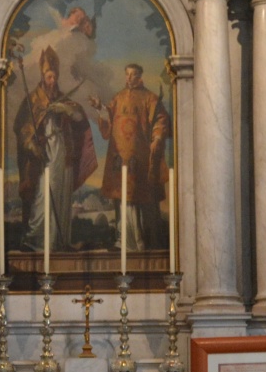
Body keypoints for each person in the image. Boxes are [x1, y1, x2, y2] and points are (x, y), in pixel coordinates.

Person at [14, 47, 96, 252]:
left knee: (62, 196)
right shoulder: (34, 100)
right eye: (48, 77)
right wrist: (33, 145)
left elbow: (79, 117)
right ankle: (36, 240)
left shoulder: (62, 98)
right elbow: (23, 129)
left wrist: (66, 109)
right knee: (44, 194)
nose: (52, 81)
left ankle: (59, 241)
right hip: (45, 154)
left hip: (63, 151)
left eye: (54, 77)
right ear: (43, 76)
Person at [90, 64, 172, 253]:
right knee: (120, 197)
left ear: (139, 76)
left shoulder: (150, 98)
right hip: (119, 155)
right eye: (127, 74)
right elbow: (109, 118)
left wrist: (157, 137)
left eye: (133, 74)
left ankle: (139, 240)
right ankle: (122, 239)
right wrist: (100, 107)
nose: (129, 78)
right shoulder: (118, 97)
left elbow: (161, 119)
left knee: (137, 196)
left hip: (139, 156)